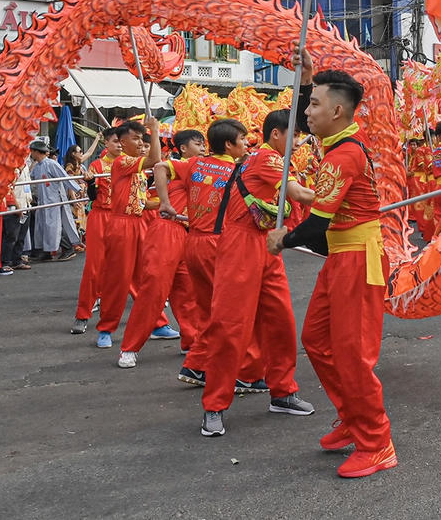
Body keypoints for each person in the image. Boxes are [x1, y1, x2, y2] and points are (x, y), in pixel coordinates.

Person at [267, 69, 397, 478]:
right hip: (341, 257)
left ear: (337, 111)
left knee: (353, 355)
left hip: (357, 258)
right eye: (308, 101)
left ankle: (377, 443)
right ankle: (352, 418)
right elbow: (325, 231)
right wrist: (307, 79)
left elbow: (316, 228)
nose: (307, 111)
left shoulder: (343, 155)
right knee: (318, 340)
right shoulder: (335, 144)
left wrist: (282, 240)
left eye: (314, 104)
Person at [185, 110, 315, 437]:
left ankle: (283, 392)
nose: (298, 142)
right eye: (294, 135)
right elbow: (298, 194)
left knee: (281, 320)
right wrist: (347, 200)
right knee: (230, 326)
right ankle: (214, 406)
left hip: (265, 242)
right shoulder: (268, 158)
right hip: (240, 244)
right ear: (275, 135)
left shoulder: (263, 157)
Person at [158, 119, 268, 393]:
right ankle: (244, 371)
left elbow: (160, 166)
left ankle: (197, 365)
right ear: (229, 144)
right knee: (236, 310)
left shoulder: (196, 164)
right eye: (243, 139)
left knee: (209, 310)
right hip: (219, 245)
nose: (247, 144)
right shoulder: (238, 171)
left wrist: (165, 202)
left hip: (193, 243)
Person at [117, 130, 207, 368]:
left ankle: (193, 341)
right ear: (183, 149)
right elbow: (159, 166)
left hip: (189, 234)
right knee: (154, 289)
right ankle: (130, 347)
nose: (203, 148)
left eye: (204, 144)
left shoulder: (206, 168)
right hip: (167, 231)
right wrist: (165, 203)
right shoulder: (183, 165)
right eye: (198, 144)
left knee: (187, 292)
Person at [92, 119, 162, 349]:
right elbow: (155, 159)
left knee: (148, 276)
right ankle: (106, 328)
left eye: (142, 138)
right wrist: (156, 131)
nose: (140, 142)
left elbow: (141, 202)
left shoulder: (137, 170)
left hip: (139, 222)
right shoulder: (123, 162)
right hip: (121, 226)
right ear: (122, 142)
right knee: (118, 279)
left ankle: (157, 323)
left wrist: (165, 203)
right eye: (135, 138)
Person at [72, 128, 121, 334]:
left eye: (122, 142)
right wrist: (91, 182)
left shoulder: (130, 162)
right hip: (101, 216)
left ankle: (157, 321)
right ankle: (83, 315)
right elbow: (92, 197)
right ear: (106, 144)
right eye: (115, 141)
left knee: (129, 270)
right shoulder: (97, 165)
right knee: (93, 268)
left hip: (123, 218)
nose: (119, 145)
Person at [26, 140, 79, 262]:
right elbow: (31, 178)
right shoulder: (37, 166)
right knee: (43, 226)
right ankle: (46, 252)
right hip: (43, 201)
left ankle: (68, 248)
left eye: (32, 152)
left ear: (36, 152)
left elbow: (65, 177)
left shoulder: (51, 164)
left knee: (54, 226)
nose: (31, 154)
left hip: (54, 200)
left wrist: (76, 190)